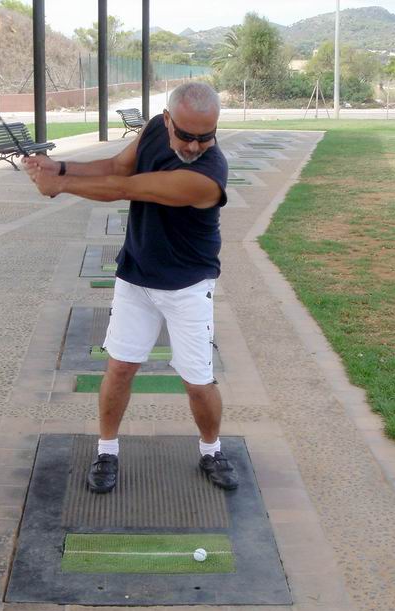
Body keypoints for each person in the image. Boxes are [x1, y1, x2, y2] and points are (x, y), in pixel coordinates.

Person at [24, 81, 237, 494]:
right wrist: (59, 168)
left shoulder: (208, 176)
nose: (195, 146)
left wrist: (60, 186)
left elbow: (126, 189)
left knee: (198, 382)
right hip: (136, 276)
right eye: (186, 135)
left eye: (206, 136)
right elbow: (118, 168)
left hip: (187, 286)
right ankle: (107, 450)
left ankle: (211, 450)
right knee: (120, 368)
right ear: (167, 120)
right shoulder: (154, 129)